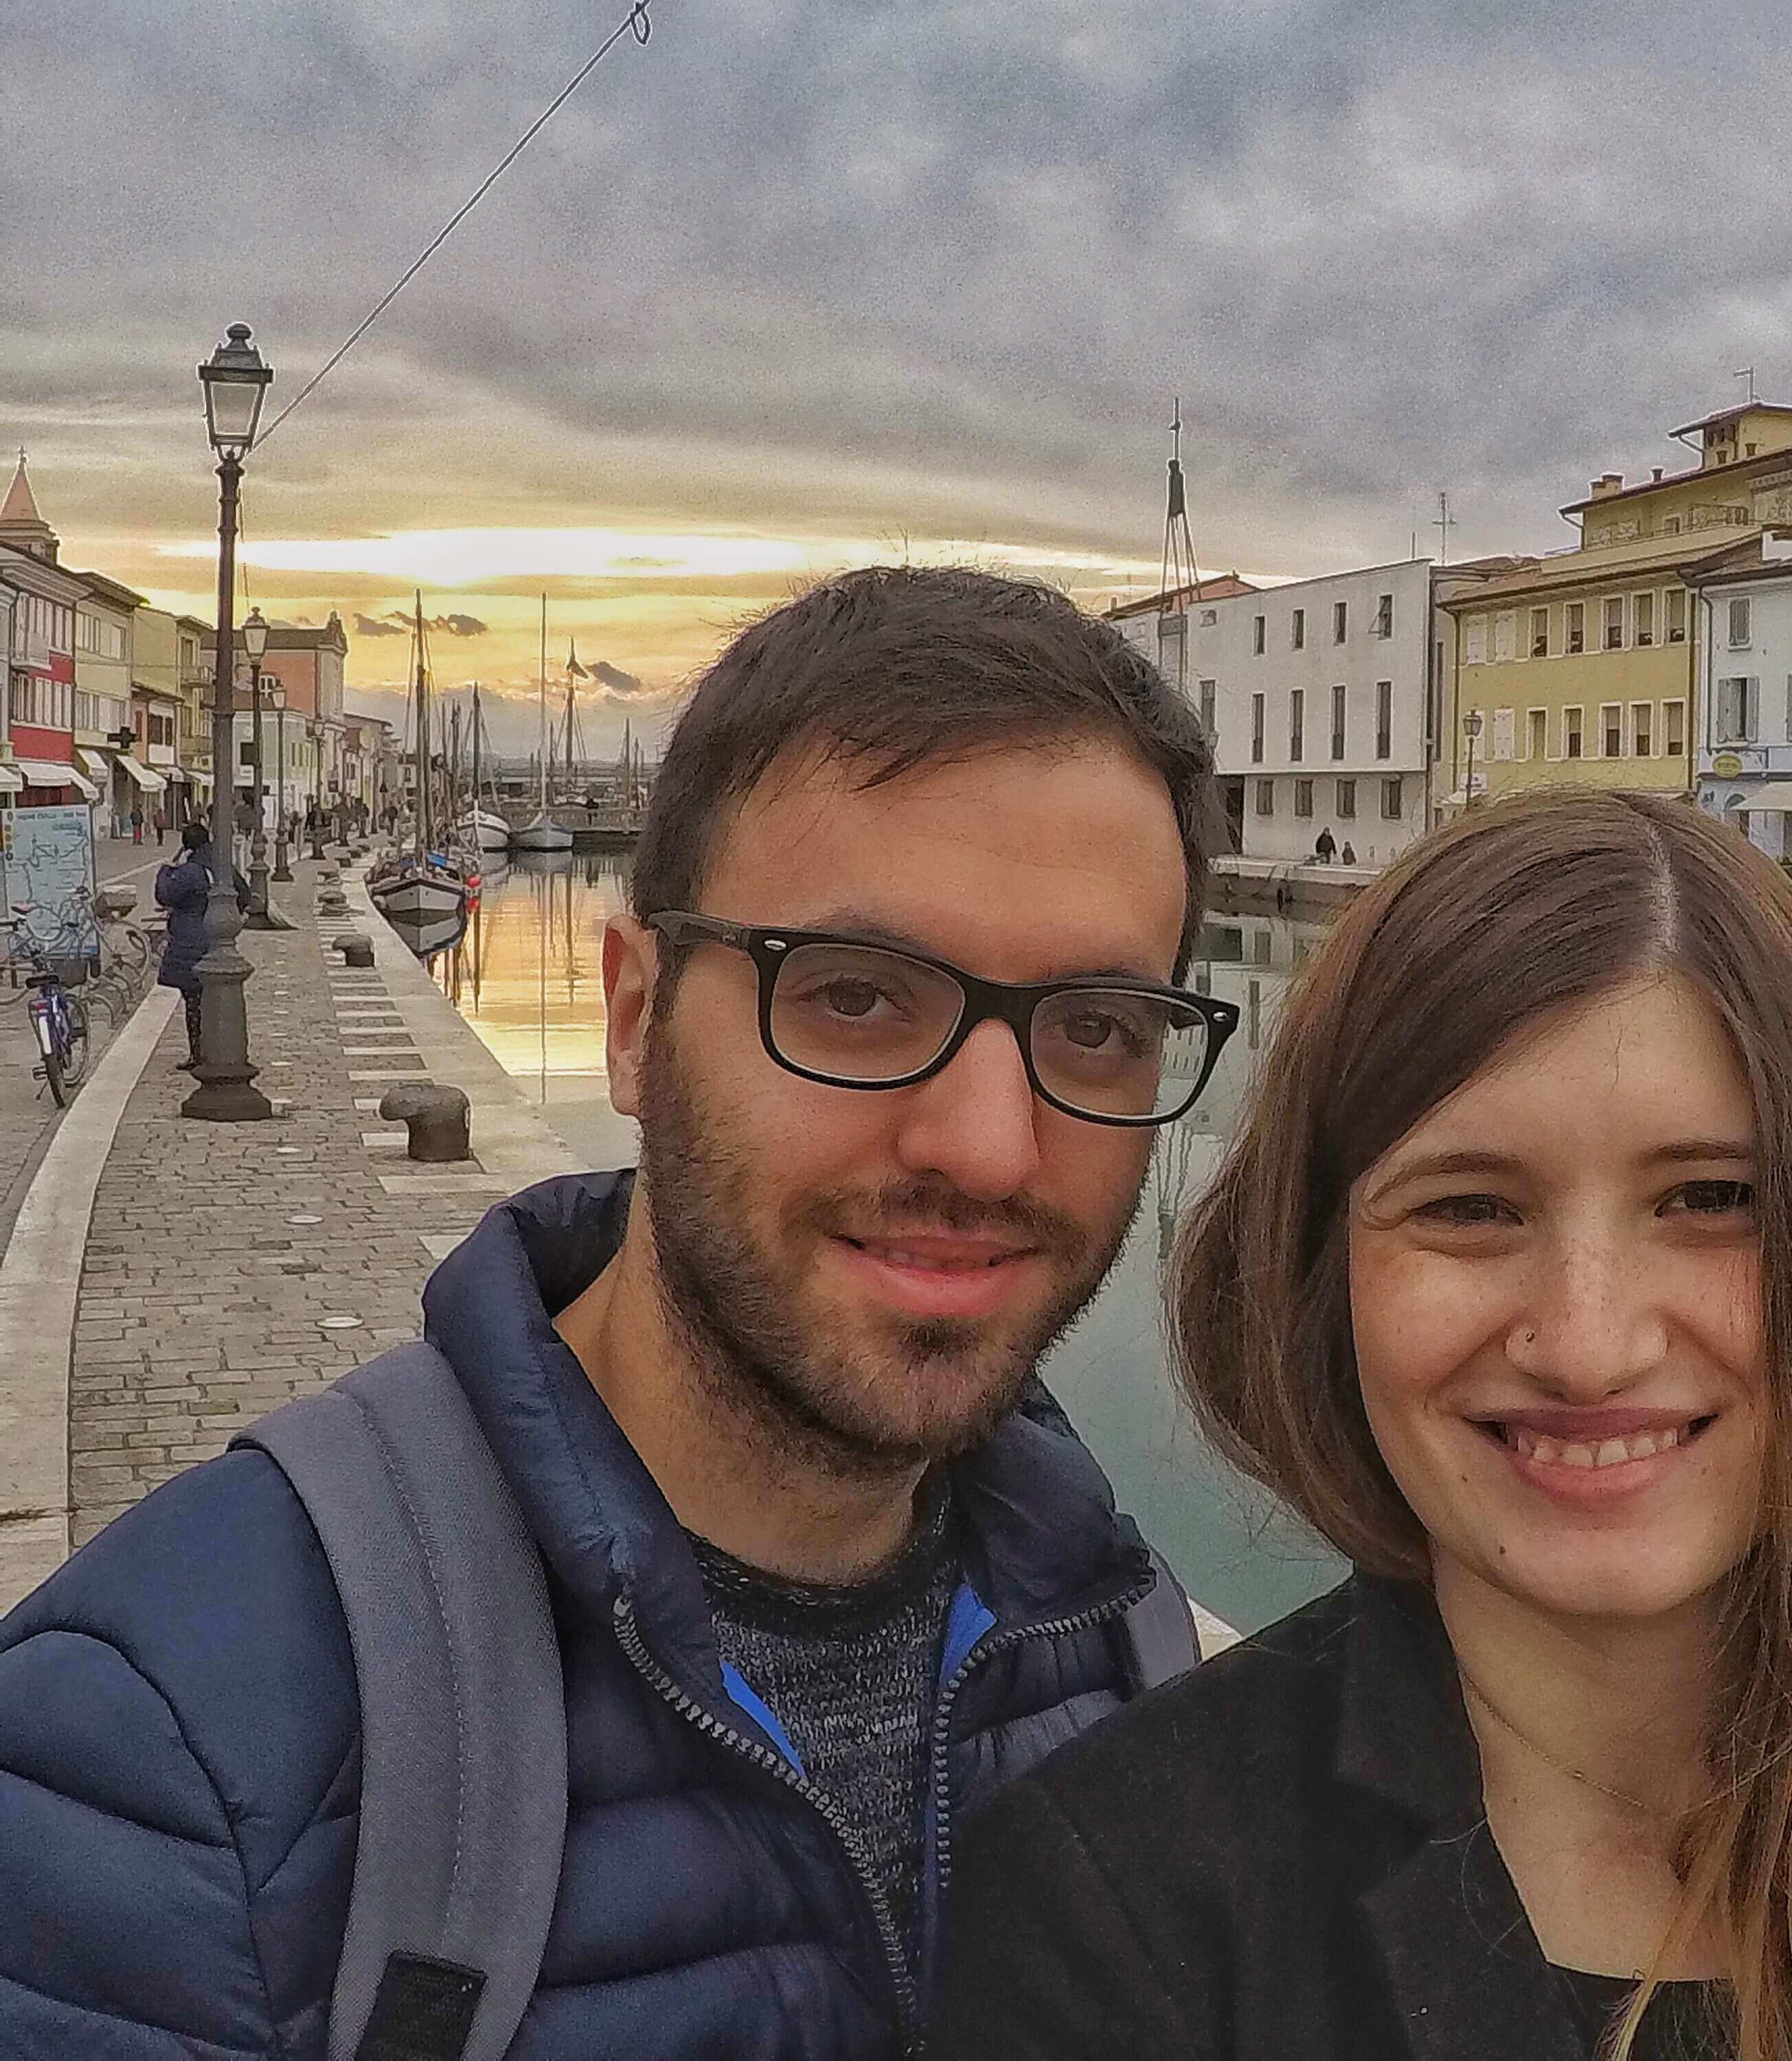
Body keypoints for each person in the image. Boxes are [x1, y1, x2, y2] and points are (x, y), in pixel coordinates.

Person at [0, 567, 1235, 2056]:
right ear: (637, 1020)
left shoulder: (1122, 1648)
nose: (985, 1143)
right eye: (851, 996)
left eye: (1096, 1030)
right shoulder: (171, 1758)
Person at [937, 789, 1792, 2061]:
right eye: (1471, 1210)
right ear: (1324, 1282)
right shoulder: (1119, 1905)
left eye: (1711, 1198)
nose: (1591, 1346)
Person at [152, 818, 220, 1068]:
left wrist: (167, 869)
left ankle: (198, 1053)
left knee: (193, 999)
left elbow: (164, 895)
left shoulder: (190, 872)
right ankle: (212, 1047)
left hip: (191, 941)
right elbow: (245, 895)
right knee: (209, 998)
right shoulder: (218, 865)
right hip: (216, 939)